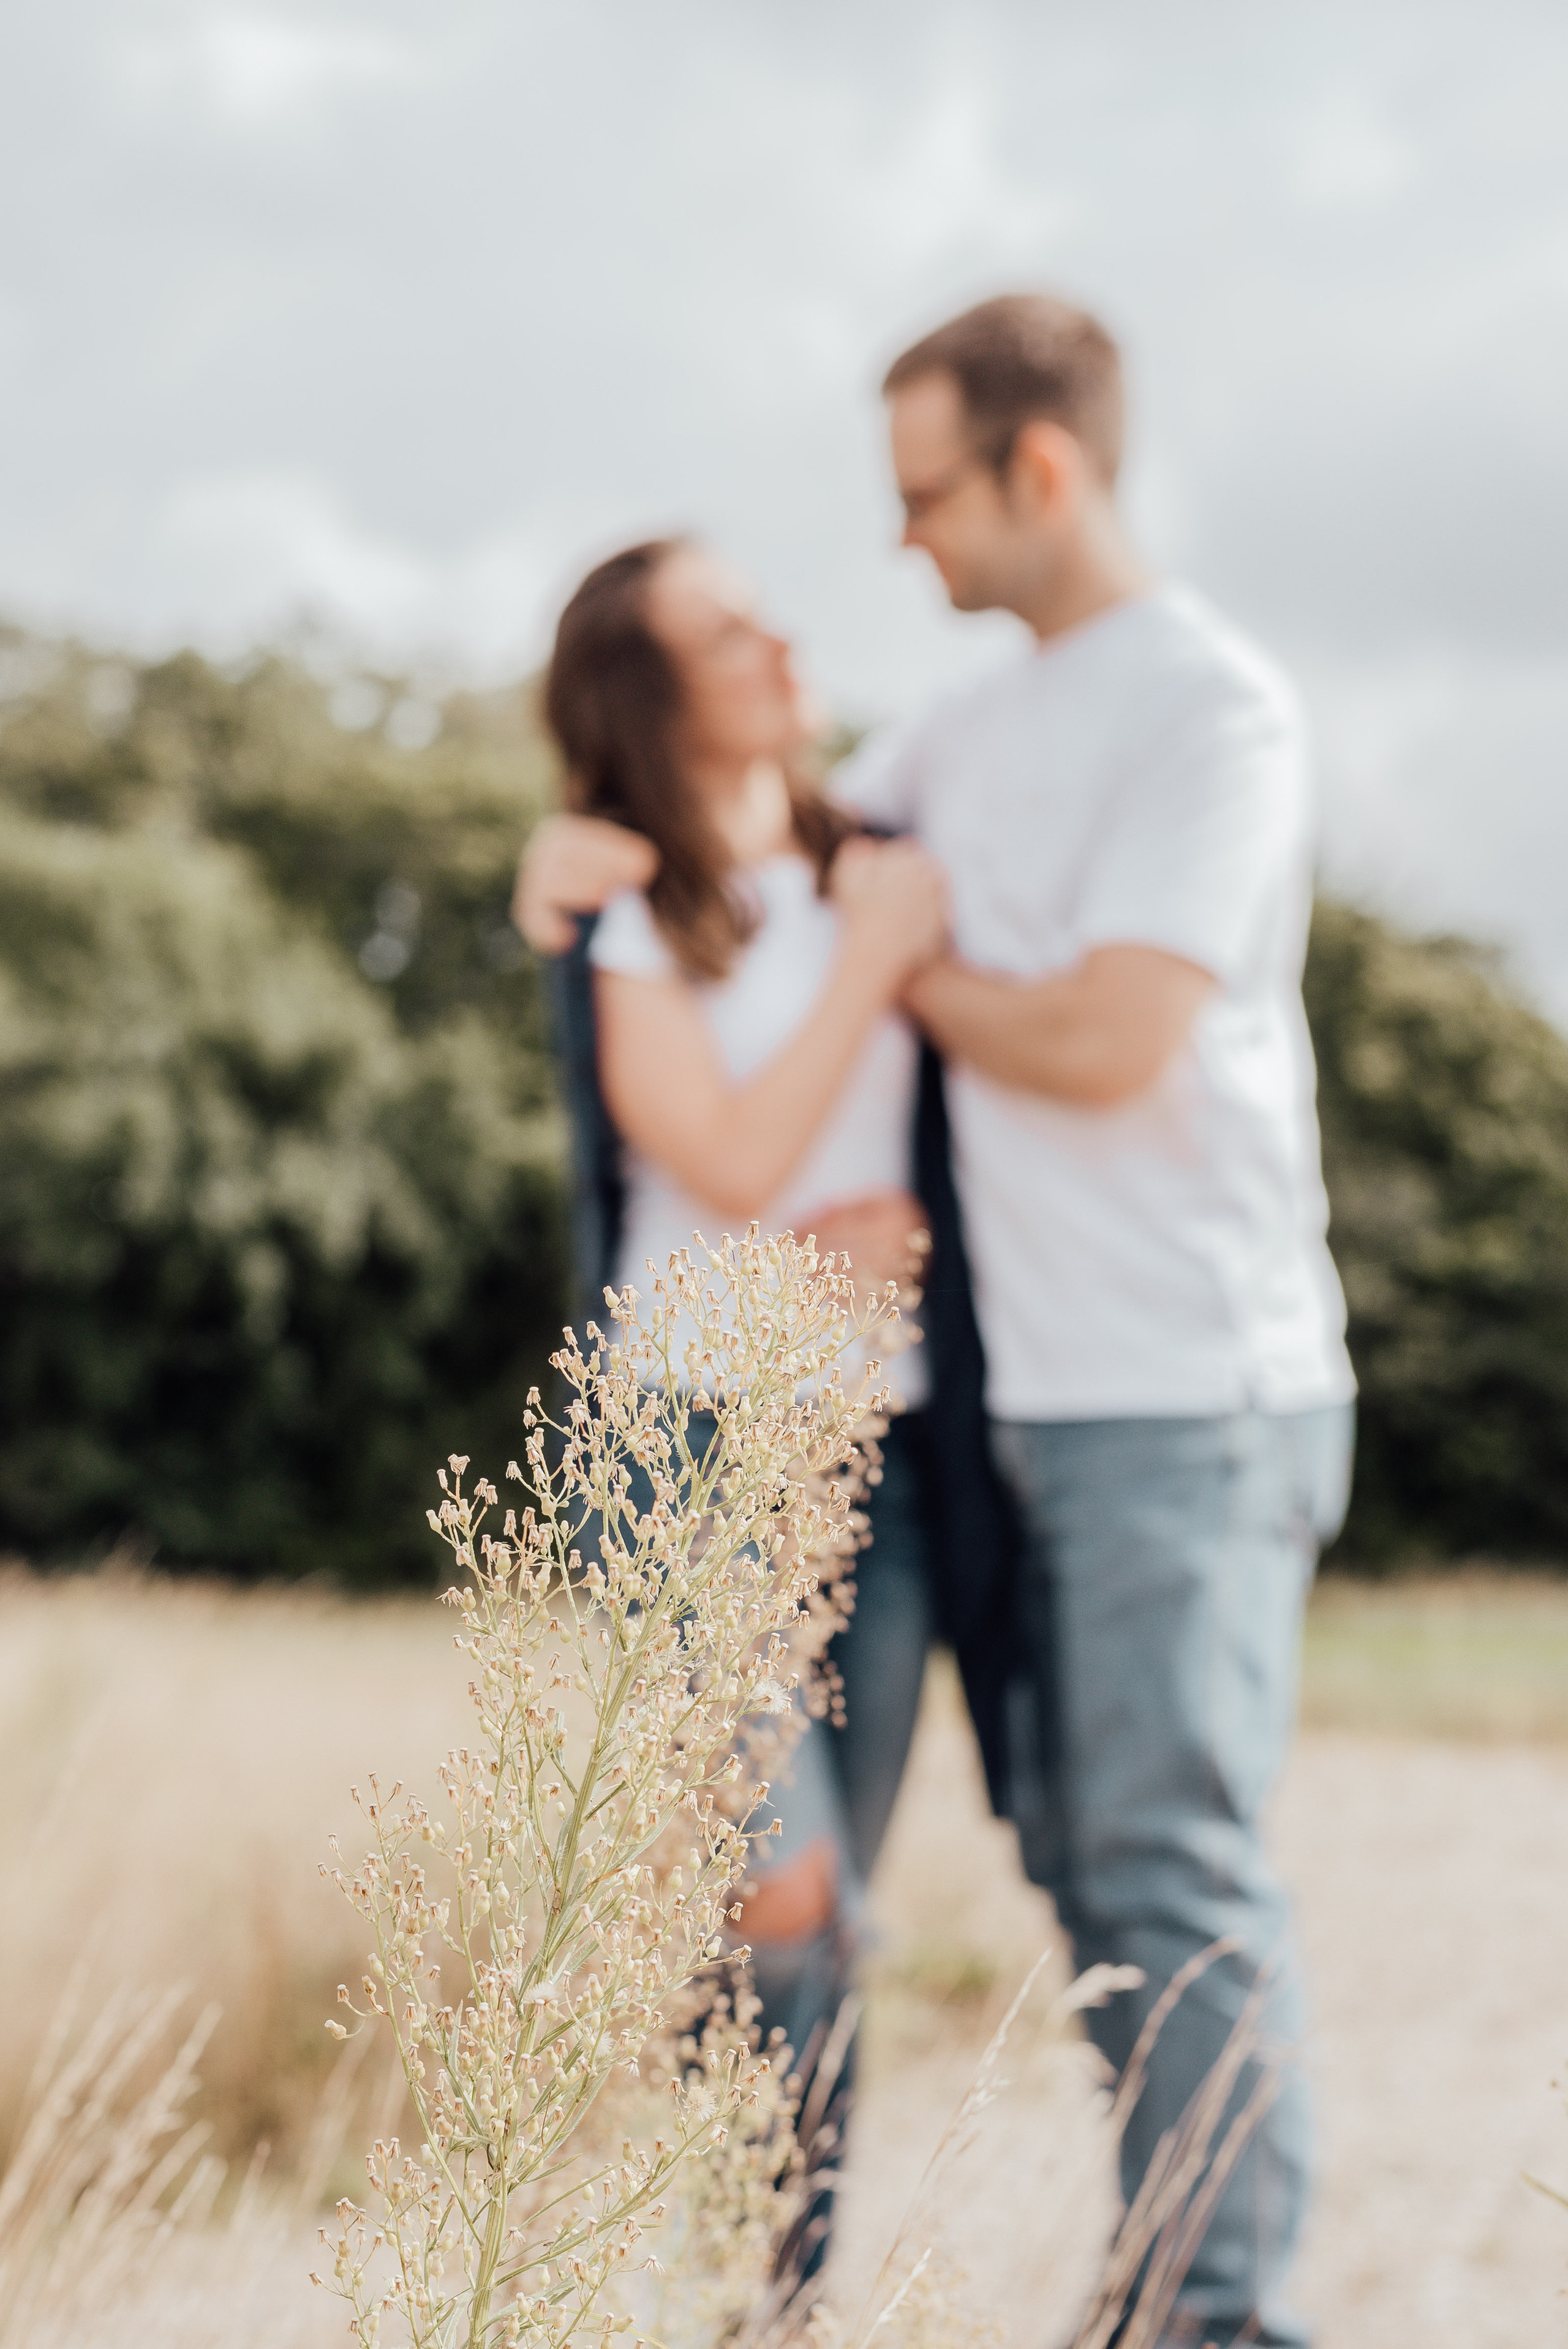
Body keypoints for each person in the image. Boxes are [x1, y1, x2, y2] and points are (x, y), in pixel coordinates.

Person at [519, 294, 1357, 2348]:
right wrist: (551, 888)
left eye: (924, 498)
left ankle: (1212, 2318)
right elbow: (727, 946)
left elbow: (1106, 1037)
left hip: (1169, 1386)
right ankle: (783, 2297)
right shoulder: (945, 752)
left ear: (1038, 470)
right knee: (950, 1883)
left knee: (1154, 1870)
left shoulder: (1210, 711)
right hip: (942, 1419)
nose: (889, 556)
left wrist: (899, 963)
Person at [536, 534, 960, 2196]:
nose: (776, 631)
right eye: (724, 625)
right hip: (690, 1436)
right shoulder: (626, 906)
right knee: (771, 1884)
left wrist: (931, 1240)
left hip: (889, 1436)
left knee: (821, 1905)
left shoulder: (883, 852)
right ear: (649, 691)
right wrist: (871, 957)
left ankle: (756, 2280)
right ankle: (726, 2263)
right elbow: (723, 1154)